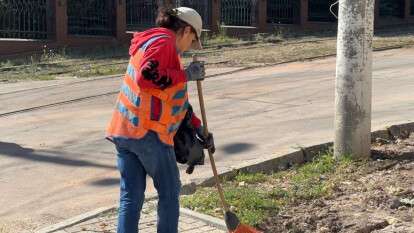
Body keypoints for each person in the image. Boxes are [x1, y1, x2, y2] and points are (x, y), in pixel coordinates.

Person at [106, 7, 214, 233]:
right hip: (149, 134)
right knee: (169, 192)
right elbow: (147, 77)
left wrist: (197, 126)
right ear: (185, 30)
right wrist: (186, 75)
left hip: (124, 131)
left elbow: (174, 97)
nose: (189, 47)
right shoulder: (165, 42)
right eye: (192, 40)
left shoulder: (152, 42)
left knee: (131, 198)